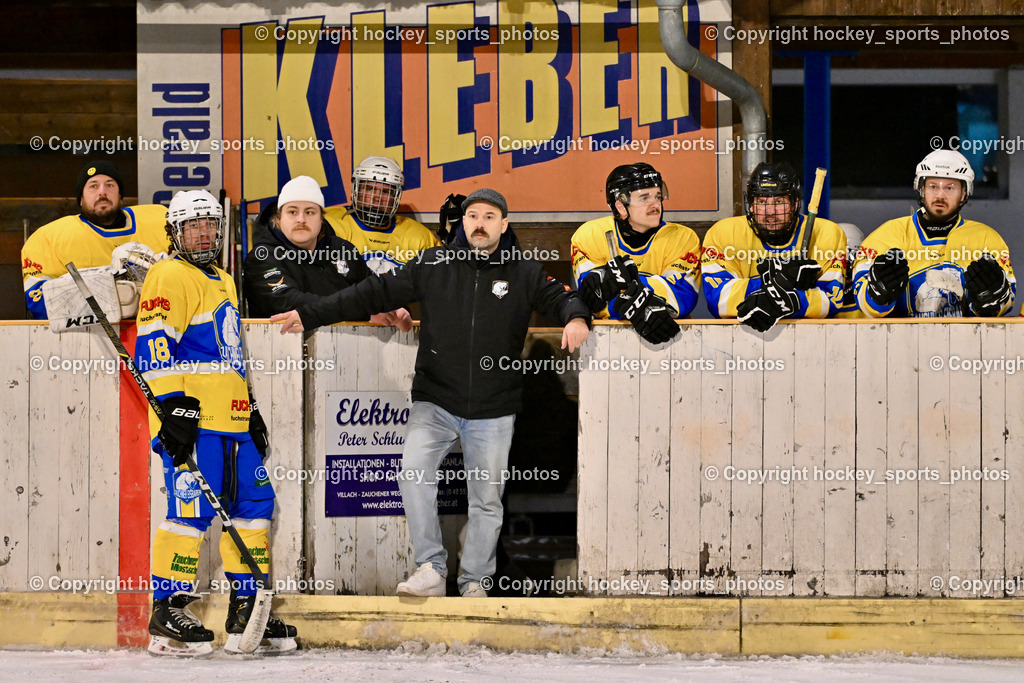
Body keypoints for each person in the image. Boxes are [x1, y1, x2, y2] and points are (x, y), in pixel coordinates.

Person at [271, 188, 591, 597]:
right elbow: (368, 293)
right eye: (473, 215)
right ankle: (431, 570)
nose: (479, 223)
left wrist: (576, 317)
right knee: (413, 475)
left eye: (489, 217)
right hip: (436, 399)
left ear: (504, 225)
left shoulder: (523, 270)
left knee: (486, 502)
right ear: (462, 223)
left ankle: (475, 581)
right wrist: (307, 312)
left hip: (494, 408)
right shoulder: (433, 263)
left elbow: (563, 297)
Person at [136, 189, 297, 657]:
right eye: (194, 226)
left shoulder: (224, 278)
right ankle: (167, 610)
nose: (204, 234)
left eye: (210, 225)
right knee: (191, 512)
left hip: (233, 423)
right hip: (193, 424)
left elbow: (229, 355)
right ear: (176, 233)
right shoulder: (169, 274)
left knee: (254, 505)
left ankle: (246, 610)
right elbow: (154, 347)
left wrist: (251, 409)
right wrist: (174, 412)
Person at [852, 149, 1014, 318]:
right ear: (921, 188)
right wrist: (878, 295)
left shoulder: (987, 239)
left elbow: (1007, 300)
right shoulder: (885, 236)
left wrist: (992, 301)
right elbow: (863, 303)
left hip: (966, 342)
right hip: (902, 343)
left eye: (950, 188)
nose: (940, 195)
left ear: (964, 193)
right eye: (933, 186)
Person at [242, 175, 411, 329]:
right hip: (283, 356)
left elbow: (374, 291)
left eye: (310, 212)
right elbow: (288, 303)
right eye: (292, 212)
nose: (301, 219)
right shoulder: (261, 258)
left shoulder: (344, 250)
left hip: (351, 354)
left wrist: (395, 308)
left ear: (321, 218)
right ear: (278, 218)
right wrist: (364, 312)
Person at [702, 162, 847, 332]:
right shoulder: (724, 233)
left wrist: (786, 300)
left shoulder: (827, 233)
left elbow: (832, 299)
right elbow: (718, 300)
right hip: (740, 341)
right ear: (750, 205)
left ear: (794, 204)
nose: (770, 211)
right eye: (762, 201)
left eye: (778, 201)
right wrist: (778, 282)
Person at [571, 162, 700, 344]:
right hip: (605, 345)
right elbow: (594, 301)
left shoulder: (683, 237)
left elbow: (682, 298)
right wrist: (646, 296)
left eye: (657, 196)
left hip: (672, 341)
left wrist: (625, 288)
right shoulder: (589, 235)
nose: (655, 204)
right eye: (644, 198)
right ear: (621, 207)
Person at [22, 160, 169, 319]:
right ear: (81, 199)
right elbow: (39, 302)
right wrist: (109, 298)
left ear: (120, 196)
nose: (102, 192)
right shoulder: (48, 238)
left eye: (110, 185)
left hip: (157, 327)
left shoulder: (159, 219)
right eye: (93, 186)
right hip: (85, 337)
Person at [324, 156, 440, 275]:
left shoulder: (419, 237)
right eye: (369, 189)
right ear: (356, 190)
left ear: (396, 197)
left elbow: (439, 279)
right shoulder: (330, 222)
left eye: (385, 192)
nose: (377, 198)